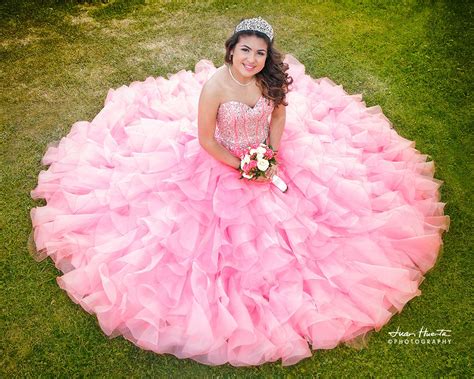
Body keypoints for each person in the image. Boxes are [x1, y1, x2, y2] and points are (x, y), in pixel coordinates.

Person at [29, 17, 450, 367]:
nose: (252, 59)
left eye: (260, 52)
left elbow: (279, 118)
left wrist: (271, 152)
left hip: (267, 153)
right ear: (231, 50)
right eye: (244, 50)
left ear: (268, 56)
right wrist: (244, 167)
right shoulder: (215, 87)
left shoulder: (270, 81)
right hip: (223, 161)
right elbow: (206, 141)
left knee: (319, 225)